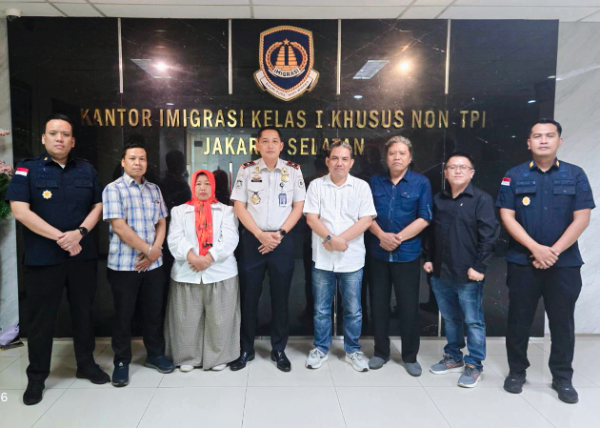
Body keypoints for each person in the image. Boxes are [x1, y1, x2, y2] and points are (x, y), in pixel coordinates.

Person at [7, 113, 109, 405]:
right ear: (44, 138)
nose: (59, 139)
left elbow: (98, 205)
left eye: (65, 134)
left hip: (81, 258)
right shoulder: (27, 169)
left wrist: (79, 233)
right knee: (42, 320)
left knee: (83, 313)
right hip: (43, 259)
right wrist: (62, 238)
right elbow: (20, 211)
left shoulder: (86, 169)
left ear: (73, 141)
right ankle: (37, 377)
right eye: (53, 133)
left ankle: (86, 365)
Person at [496, 118, 594, 404]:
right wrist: (535, 249)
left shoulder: (575, 174)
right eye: (537, 136)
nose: (543, 140)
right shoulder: (513, 175)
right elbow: (507, 216)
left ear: (559, 141)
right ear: (528, 142)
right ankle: (517, 372)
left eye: (549, 136)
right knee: (519, 321)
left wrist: (553, 252)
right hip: (523, 262)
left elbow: (582, 218)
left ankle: (562, 377)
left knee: (562, 323)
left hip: (564, 264)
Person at [229, 126, 305, 372]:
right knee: (249, 297)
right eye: (265, 141)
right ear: (258, 145)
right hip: (253, 240)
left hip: (282, 240)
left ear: (281, 146)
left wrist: (279, 234)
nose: (270, 145)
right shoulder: (246, 170)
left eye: (275, 141)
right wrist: (259, 234)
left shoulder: (293, 170)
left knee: (281, 298)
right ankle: (245, 349)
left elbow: (298, 206)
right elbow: (239, 206)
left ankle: (279, 349)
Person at [423, 151, 499, 388]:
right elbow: (430, 232)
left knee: (473, 320)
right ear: (445, 173)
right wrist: (428, 258)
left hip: (469, 273)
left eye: (462, 167)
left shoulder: (482, 199)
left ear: (471, 173)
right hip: (440, 271)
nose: (457, 170)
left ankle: (474, 364)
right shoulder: (438, 199)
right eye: (452, 167)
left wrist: (480, 266)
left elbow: (489, 236)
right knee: (450, 318)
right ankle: (453, 357)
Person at [103, 142, 174, 387]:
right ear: (123, 162)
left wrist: (155, 251)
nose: (138, 162)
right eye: (132, 158)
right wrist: (148, 250)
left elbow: (162, 222)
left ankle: (155, 355)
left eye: (142, 158)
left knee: (154, 312)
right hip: (125, 266)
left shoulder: (154, 189)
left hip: (153, 266)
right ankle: (122, 361)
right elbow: (119, 226)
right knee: (124, 315)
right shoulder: (113, 189)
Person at [303, 141, 376, 372]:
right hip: (323, 258)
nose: (339, 163)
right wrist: (329, 239)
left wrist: (339, 240)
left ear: (351, 163)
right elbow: (311, 218)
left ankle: (353, 350)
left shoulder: (361, 187)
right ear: (327, 161)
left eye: (344, 159)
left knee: (353, 309)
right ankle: (321, 348)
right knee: (321, 309)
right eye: (335, 158)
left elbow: (366, 220)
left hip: (351, 259)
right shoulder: (316, 185)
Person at [367, 135, 432, 376]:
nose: (397, 157)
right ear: (386, 158)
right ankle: (380, 352)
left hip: (407, 254)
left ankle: (410, 356)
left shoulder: (421, 183)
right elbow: (365, 214)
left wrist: (397, 238)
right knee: (379, 305)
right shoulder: (375, 182)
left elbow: (424, 218)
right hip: (378, 254)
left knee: (408, 307)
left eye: (402, 153)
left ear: (410, 157)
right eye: (392, 153)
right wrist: (382, 236)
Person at [165, 169, 240, 372]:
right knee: (186, 319)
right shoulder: (179, 211)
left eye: (207, 183)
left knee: (220, 319)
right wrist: (192, 258)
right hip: (187, 272)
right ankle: (187, 357)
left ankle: (218, 357)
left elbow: (230, 238)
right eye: (198, 184)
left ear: (213, 186)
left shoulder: (227, 211)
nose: (203, 188)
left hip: (220, 272)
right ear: (192, 186)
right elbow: (175, 238)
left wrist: (208, 258)